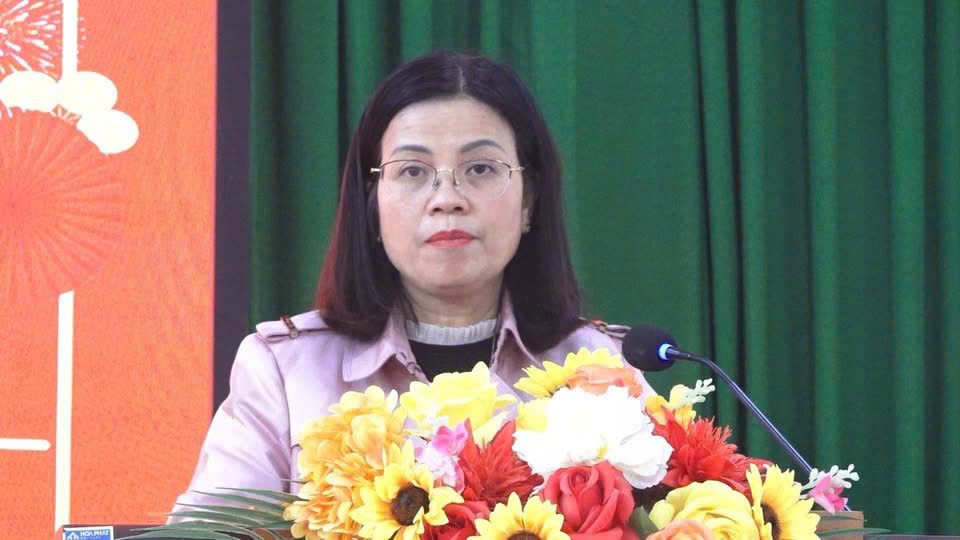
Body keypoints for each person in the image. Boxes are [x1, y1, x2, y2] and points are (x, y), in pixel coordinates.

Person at [170, 50, 653, 515]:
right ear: (372, 204)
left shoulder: (602, 367)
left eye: (480, 168)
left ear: (529, 200)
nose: (447, 198)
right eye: (413, 171)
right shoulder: (284, 371)